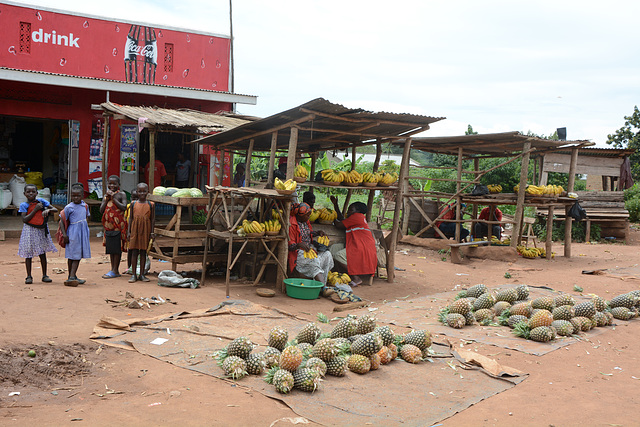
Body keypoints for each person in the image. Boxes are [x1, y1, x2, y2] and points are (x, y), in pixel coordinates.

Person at [329, 197, 377, 286]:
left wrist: (332, 218)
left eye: (351, 210)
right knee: (333, 248)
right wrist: (335, 204)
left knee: (338, 255)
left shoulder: (357, 217)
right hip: (356, 244)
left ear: (357, 211)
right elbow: (343, 220)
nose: (348, 211)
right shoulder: (356, 217)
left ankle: (355, 277)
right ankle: (334, 275)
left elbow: (339, 224)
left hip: (362, 246)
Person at [18, 184, 58, 284]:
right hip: (29, 230)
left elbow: (55, 210)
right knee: (28, 253)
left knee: (42, 252)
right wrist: (35, 209)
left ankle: (44, 275)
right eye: (28, 192)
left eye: (33, 191)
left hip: (40, 229)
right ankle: (28, 276)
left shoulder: (42, 201)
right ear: (24, 194)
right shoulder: (24, 205)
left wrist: (48, 209)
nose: (31, 193)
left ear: (37, 193)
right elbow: (24, 219)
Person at [288, 202, 333, 285]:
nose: (309, 217)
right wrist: (298, 245)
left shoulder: (306, 222)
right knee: (314, 261)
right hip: (299, 254)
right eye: (307, 215)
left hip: (311, 250)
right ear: (300, 215)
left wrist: (317, 233)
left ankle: (322, 284)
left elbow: (309, 233)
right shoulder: (291, 224)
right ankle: (323, 288)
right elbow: (290, 246)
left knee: (327, 255)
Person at [61, 183, 91, 287]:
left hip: (82, 233)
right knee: (74, 256)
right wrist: (64, 235)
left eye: (78, 196)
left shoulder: (85, 206)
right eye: (73, 196)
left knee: (75, 255)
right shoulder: (69, 207)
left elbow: (86, 218)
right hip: (73, 233)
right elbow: (62, 221)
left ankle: (72, 276)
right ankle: (72, 276)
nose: (75, 198)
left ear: (82, 195)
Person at [100, 175, 128, 279]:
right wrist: (107, 199)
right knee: (111, 248)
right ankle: (113, 269)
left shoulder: (121, 194)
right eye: (110, 184)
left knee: (117, 248)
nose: (112, 186)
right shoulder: (105, 196)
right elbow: (101, 210)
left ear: (118, 185)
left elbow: (124, 207)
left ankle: (115, 269)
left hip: (118, 226)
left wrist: (113, 198)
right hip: (109, 227)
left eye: (114, 184)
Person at [127, 182, 155, 283]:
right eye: (140, 191)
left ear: (148, 192)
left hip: (146, 230)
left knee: (143, 252)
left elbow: (152, 220)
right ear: (137, 192)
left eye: (144, 191)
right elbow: (130, 219)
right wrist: (129, 232)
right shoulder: (133, 204)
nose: (142, 193)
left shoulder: (151, 204)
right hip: (135, 229)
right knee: (134, 251)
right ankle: (134, 274)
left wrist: (152, 232)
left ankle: (142, 274)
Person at [124, 188, 137, 275]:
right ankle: (129, 268)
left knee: (139, 251)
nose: (135, 201)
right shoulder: (128, 207)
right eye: (133, 198)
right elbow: (126, 218)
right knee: (130, 250)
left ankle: (138, 268)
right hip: (130, 231)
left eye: (137, 198)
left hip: (138, 231)